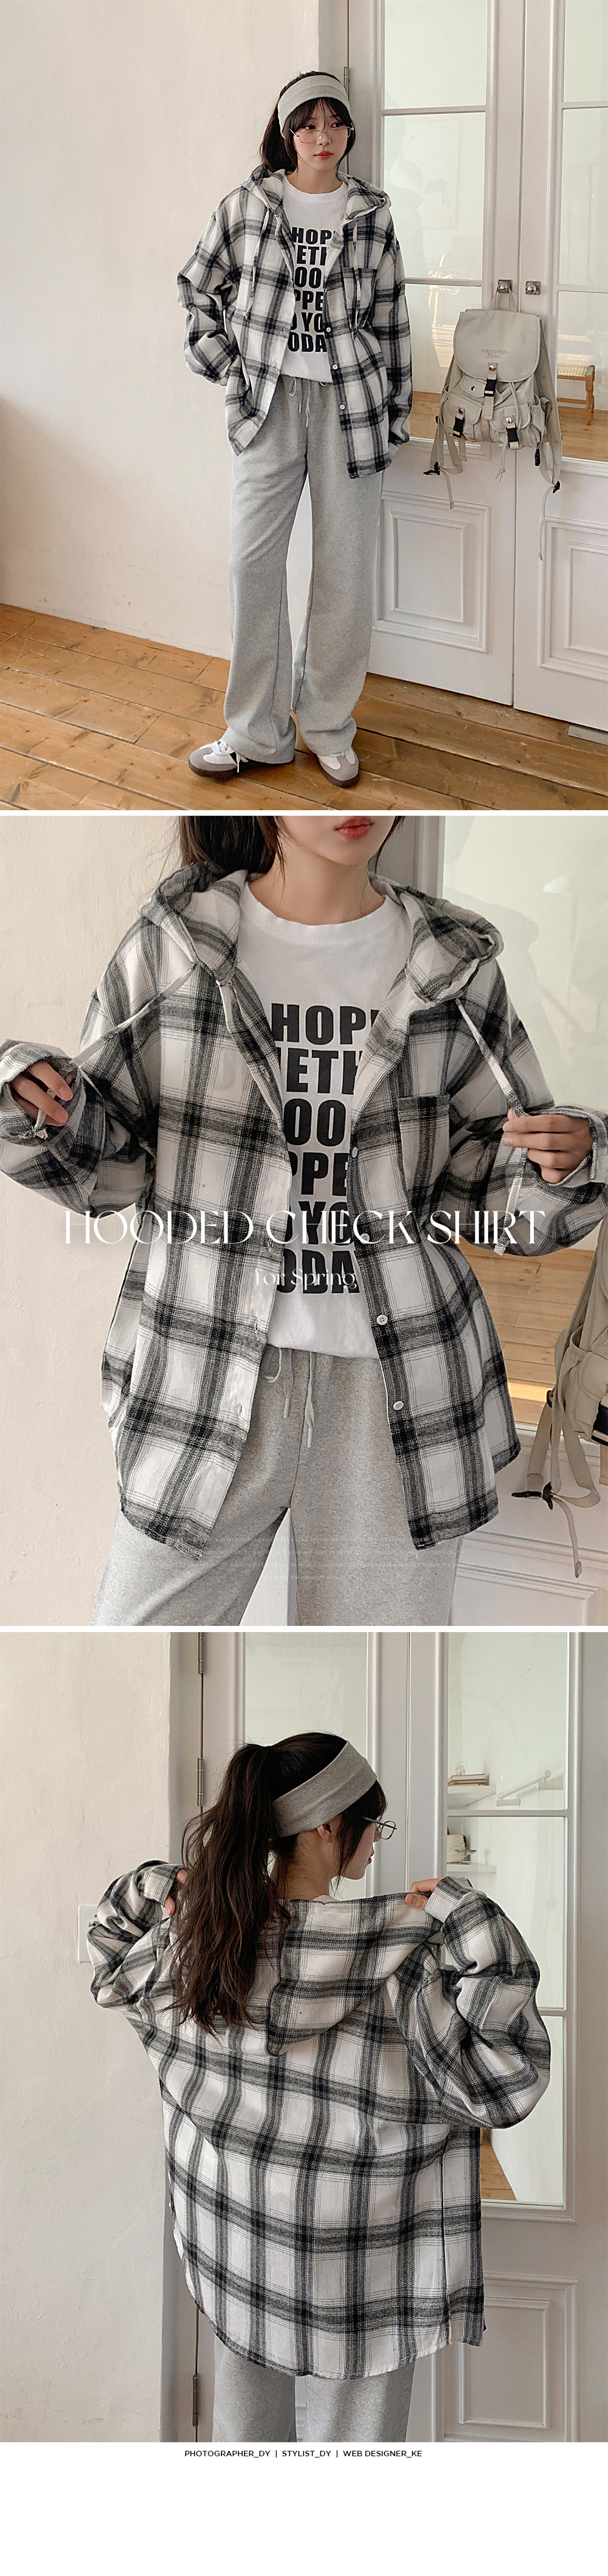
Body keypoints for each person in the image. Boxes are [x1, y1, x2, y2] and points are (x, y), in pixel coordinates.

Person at [1, 813, 606, 1630]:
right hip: (202, 1367)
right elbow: (114, 1172)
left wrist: (571, 1163)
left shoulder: (453, 967)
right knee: (136, 1639)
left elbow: (489, 1193)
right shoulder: (173, 947)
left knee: (380, 1659)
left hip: (399, 1391)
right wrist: (35, 1107)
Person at [88, 1731, 551, 2443]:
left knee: (246, 2441)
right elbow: (502, 2080)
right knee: (357, 2452)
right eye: (374, 1823)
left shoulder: (201, 1946)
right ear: (329, 1826)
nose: (376, 1842)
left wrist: (166, 1882)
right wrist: (469, 1916)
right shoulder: (403, 1955)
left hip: (241, 2240)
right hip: (371, 2253)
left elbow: (110, 1946)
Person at [177, 71, 412, 786]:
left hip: (351, 408)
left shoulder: (371, 215)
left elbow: (392, 321)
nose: (321, 136)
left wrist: (395, 415)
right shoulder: (246, 206)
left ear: (348, 131)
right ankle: (256, 732)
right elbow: (197, 290)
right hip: (269, 404)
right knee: (250, 566)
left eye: (333, 122)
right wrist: (232, 370)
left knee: (344, 573)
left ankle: (328, 725)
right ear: (286, 134)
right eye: (307, 124)